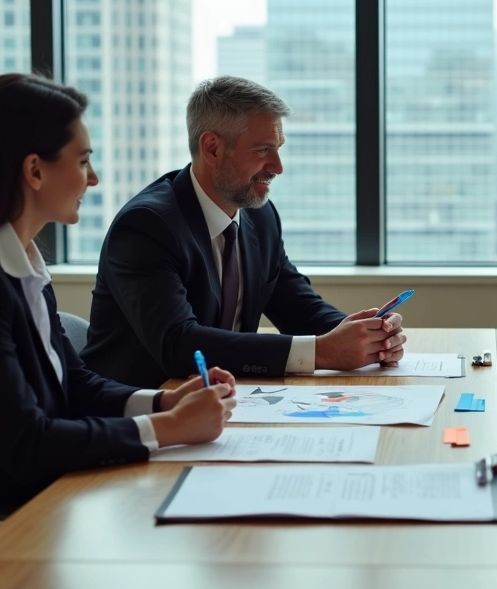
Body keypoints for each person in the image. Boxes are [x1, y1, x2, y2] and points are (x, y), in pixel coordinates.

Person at [0, 74, 238, 589]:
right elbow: (29, 442)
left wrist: (164, 403)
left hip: (35, 509)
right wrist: (169, 429)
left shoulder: (18, 262)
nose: (94, 179)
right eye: (83, 160)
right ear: (34, 170)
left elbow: (74, 385)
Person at [81, 76, 407, 389]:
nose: (278, 167)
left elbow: (296, 305)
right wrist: (323, 352)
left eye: (278, 149)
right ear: (212, 148)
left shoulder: (259, 214)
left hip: (225, 401)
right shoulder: (147, 225)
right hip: (141, 410)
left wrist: (365, 333)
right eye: (263, 150)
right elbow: (179, 344)